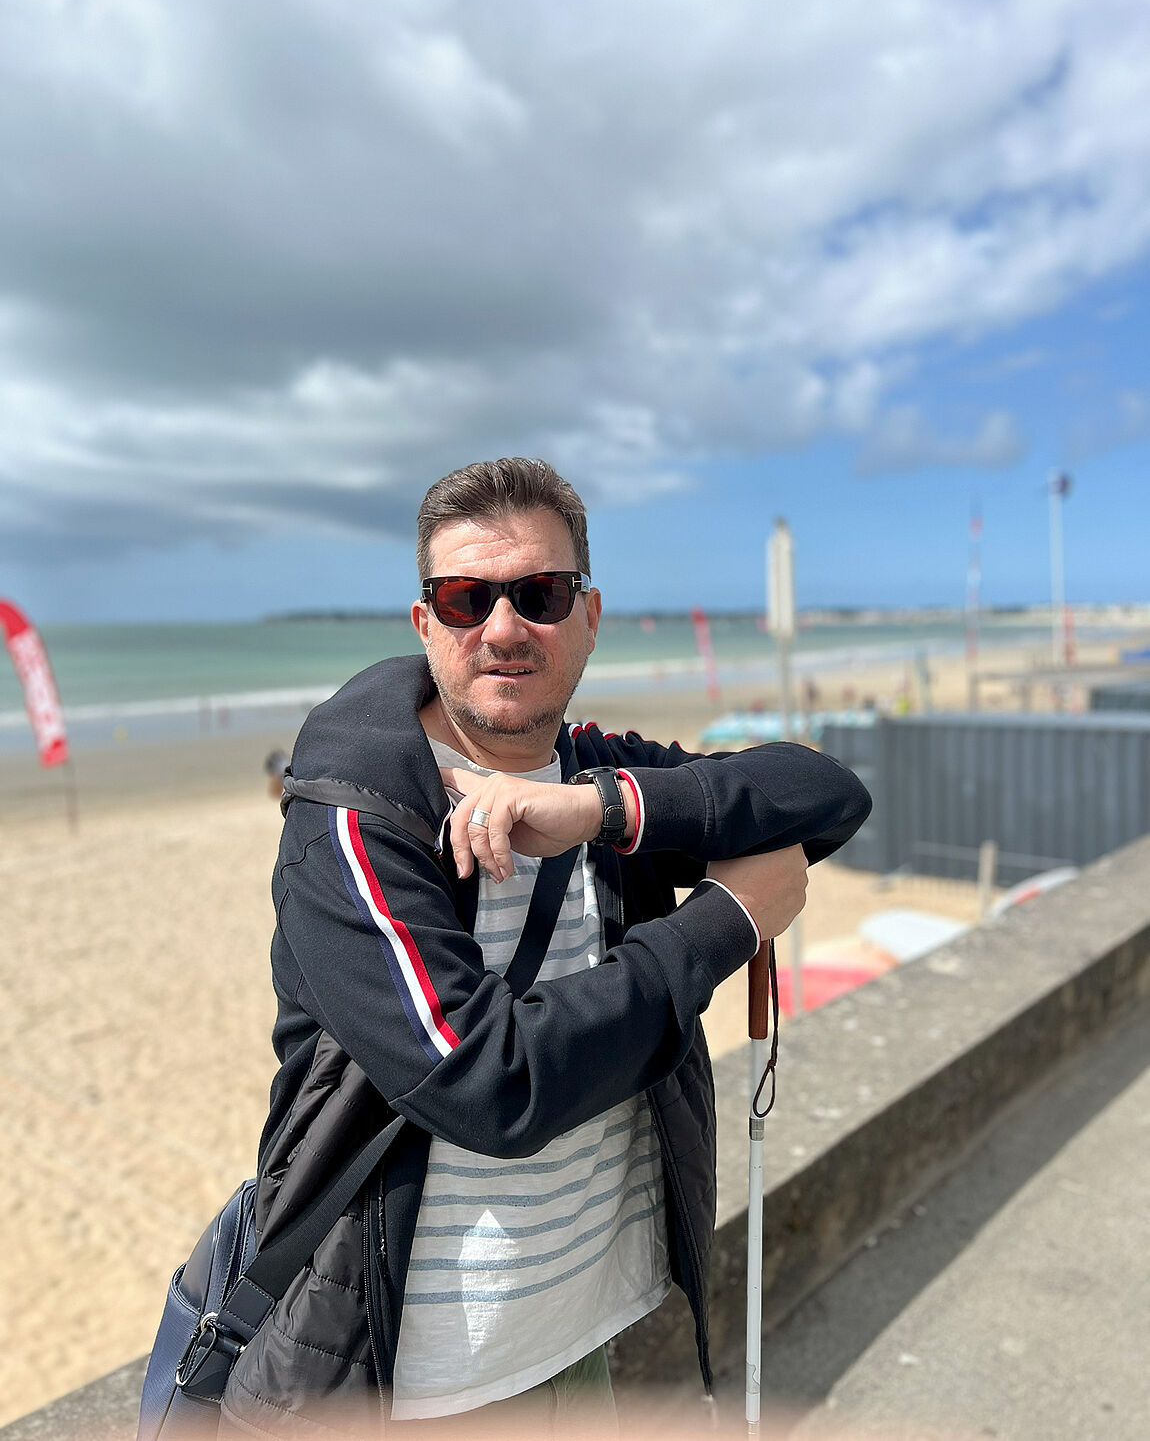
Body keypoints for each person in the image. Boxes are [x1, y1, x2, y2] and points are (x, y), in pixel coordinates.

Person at [220, 458, 871, 1435]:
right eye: (463, 597)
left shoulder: (595, 776)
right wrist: (725, 920)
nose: (503, 626)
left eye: (541, 594)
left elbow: (824, 794)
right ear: (424, 622)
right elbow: (487, 1079)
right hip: (406, 1377)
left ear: (589, 616)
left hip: (583, 1345)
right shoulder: (356, 815)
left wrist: (600, 807)